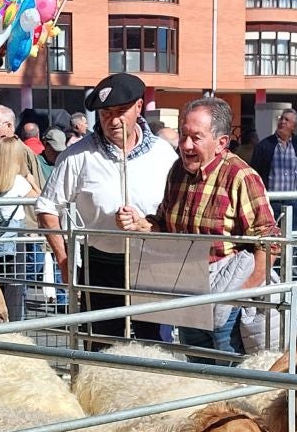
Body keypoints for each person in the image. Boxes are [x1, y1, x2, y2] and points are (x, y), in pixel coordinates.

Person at [119, 96, 280, 357]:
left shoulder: (241, 177)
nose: (185, 145)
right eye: (183, 135)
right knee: (197, 371)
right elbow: (164, 224)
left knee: (230, 376)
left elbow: (269, 240)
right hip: (187, 288)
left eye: (196, 137)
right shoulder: (177, 172)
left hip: (226, 293)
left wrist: (242, 294)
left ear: (222, 143)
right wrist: (141, 223)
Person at [43, 72, 178, 343]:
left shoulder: (163, 154)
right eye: (105, 113)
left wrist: (147, 223)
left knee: (157, 344)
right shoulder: (77, 155)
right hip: (101, 263)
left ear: (139, 107)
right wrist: (64, 258)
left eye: (121, 111)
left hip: (152, 260)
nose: (113, 120)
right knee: (103, 343)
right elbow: (47, 208)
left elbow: (177, 206)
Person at [0, 137, 45, 322]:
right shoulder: (19, 182)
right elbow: (42, 199)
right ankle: (13, 328)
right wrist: (32, 180)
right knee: (15, 289)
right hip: (14, 242)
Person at [249, 109, 297, 199]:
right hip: (271, 200)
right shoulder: (264, 145)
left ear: (294, 127)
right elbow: (255, 173)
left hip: (293, 200)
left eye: (287, 120)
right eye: (281, 119)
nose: (282, 122)